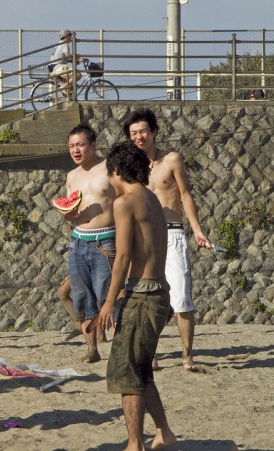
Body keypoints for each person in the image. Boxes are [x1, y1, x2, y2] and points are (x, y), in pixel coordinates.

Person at [98, 140, 177, 451]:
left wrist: (108, 302)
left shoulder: (125, 202)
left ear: (117, 170)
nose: (109, 181)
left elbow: (122, 257)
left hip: (142, 296)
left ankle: (135, 444)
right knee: (142, 369)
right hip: (159, 291)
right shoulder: (153, 200)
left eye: (110, 175)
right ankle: (164, 432)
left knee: (127, 371)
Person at [123, 108, 211, 372]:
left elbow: (185, 195)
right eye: (133, 133)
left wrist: (196, 229)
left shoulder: (172, 160)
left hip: (171, 232)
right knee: (147, 296)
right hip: (142, 236)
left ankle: (187, 356)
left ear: (154, 132)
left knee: (182, 296)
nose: (139, 137)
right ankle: (150, 354)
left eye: (143, 131)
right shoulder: (130, 166)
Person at [57, 125, 116, 363]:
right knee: (82, 297)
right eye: (72, 146)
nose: (76, 150)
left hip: (107, 239)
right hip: (78, 241)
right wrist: (67, 214)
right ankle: (92, 350)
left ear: (93, 145)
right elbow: (71, 210)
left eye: (80, 145)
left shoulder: (111, 168)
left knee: (109, 295)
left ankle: (121, 347)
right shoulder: (72, 176)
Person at [49, 29, 82, 98]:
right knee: (78, 74)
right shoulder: (65, 43)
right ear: (66, 36)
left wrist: (70, 60)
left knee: (70, 82)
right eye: (70, 35)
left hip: (52, 67)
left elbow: (61, 57)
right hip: (58, 67)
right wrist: (78, 58)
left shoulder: (58, 44)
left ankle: (68, 97)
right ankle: (63, 87)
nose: (71, 37)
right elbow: (67, 54)